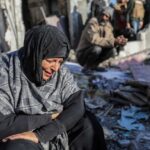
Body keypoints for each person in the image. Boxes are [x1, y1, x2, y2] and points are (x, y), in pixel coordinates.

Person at [0, 25, 107, 150]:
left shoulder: (60, 72)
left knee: (89, 125)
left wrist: (42, 134)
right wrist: (49, 117)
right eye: (51, 61)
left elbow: (77, 106)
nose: (55, 68)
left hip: (51, 132)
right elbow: (3, 124)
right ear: (34, 55)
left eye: (60, 62)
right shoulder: (5, 71)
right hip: (21, 136)